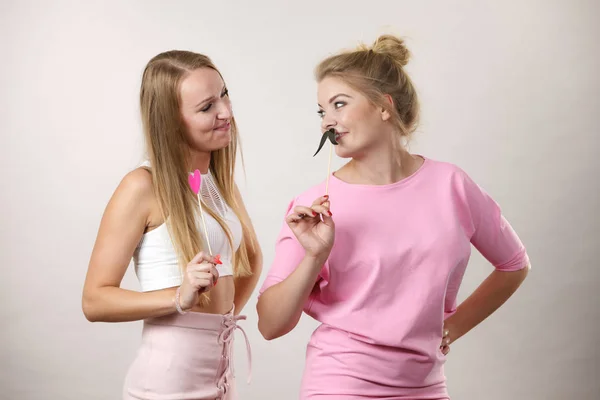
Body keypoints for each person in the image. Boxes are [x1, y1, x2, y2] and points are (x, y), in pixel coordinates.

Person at [256, 34, 530, 400]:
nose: (327, 121)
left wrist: (454, 326)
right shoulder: (312, 209)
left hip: (426, 386)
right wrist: (314, 256)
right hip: (340, 384)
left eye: (339, 104)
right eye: (322, 111)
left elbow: (514, 264)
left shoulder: (451, 185)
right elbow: (270, 325)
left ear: (384, 106)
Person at [82, 50, 262, 400]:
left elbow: (251, 261)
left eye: (223, 95)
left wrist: (214, 327)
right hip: (167, 387)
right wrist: (178, 298)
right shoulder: (142, 186)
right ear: (171, 121)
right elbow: (94, 300)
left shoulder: (220, 183)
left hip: (222, 378)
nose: (226, 112)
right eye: (207, 106)